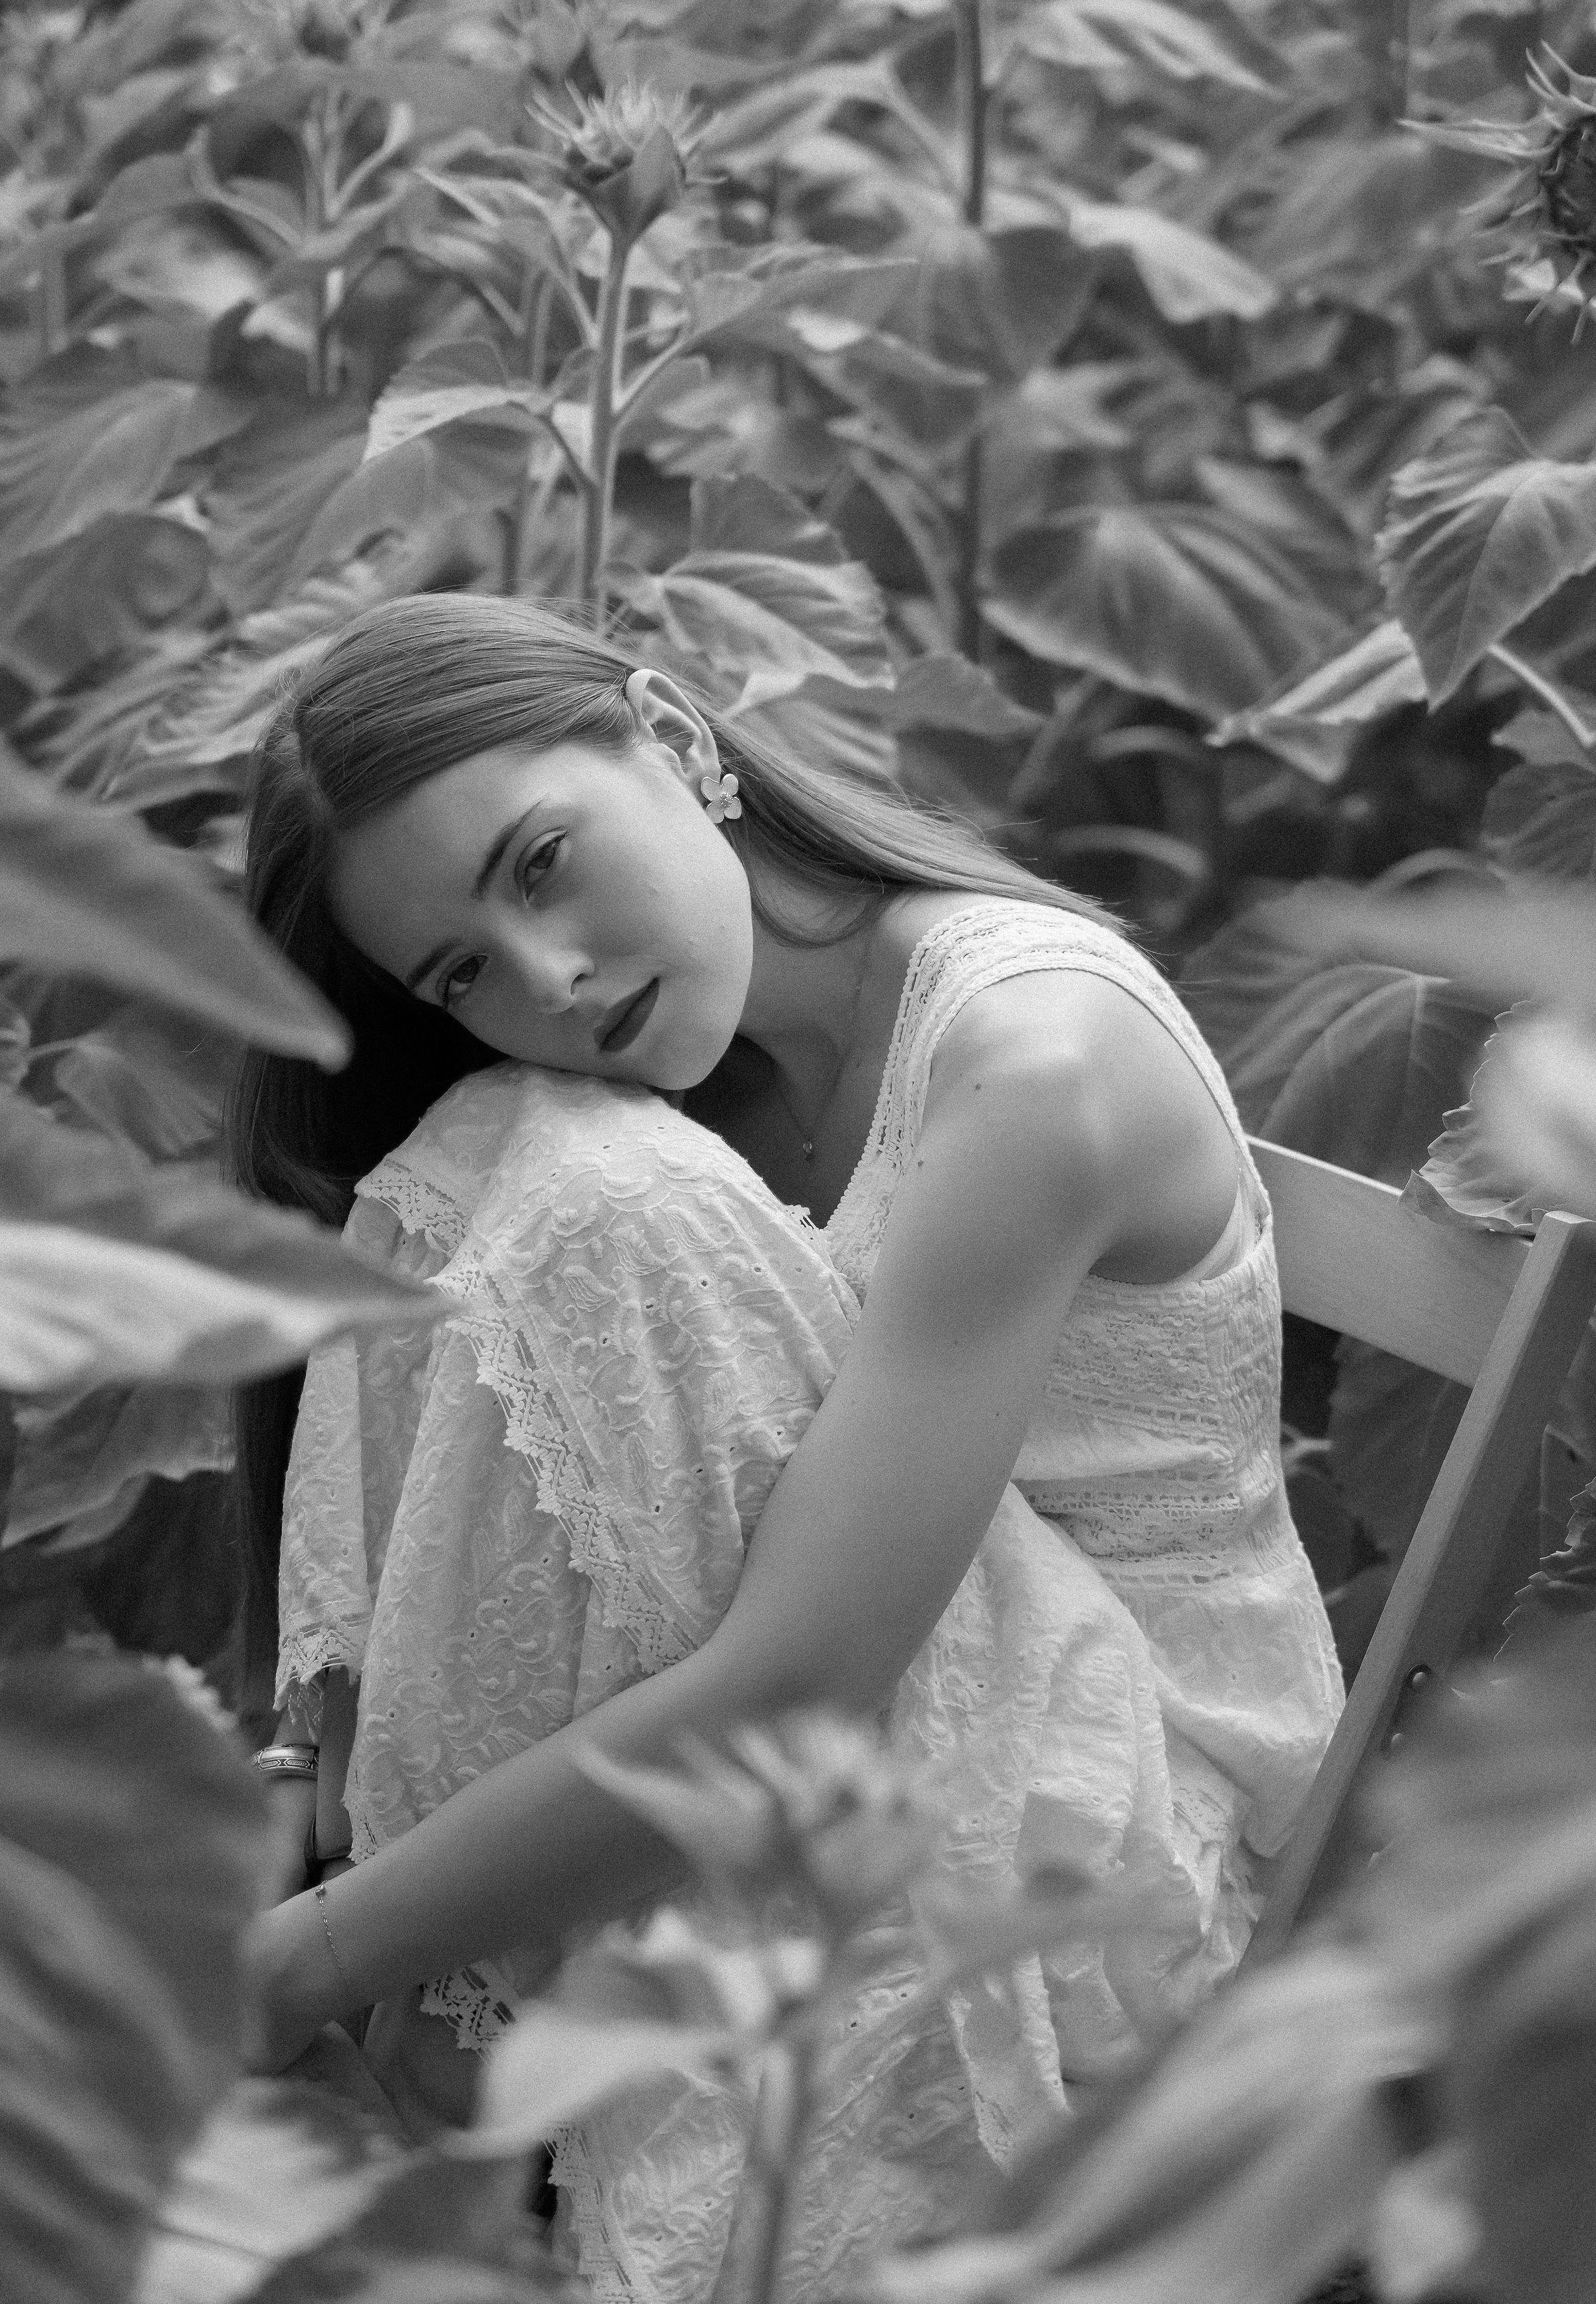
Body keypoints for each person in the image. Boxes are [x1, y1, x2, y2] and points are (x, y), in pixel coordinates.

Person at [232, 594, 1343, 2298]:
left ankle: (416, 2037)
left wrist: (293, 1968)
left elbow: (791, 1687)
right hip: (862, 1734)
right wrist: (302, 1774)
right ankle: (399, 1957)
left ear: (676, 741)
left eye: (539, 864)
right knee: (497, 1156)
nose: (552, 980)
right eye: (463, 971)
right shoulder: (668, 1058)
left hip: (1123, 1817)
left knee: (582, 1194)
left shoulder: (1031, 1069)